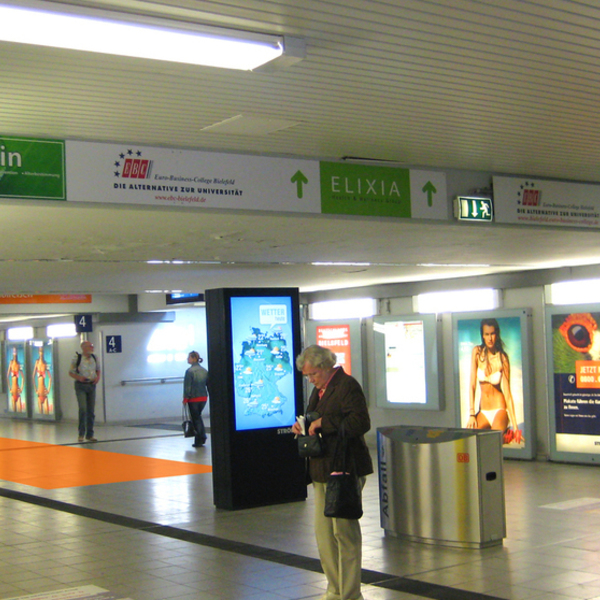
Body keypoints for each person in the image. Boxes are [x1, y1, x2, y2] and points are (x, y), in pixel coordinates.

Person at [292, 345, 372, 600]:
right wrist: (304, 426)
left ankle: (349, 594)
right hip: (320, 469)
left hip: (345, 468)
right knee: (324, 535)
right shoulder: (319, 391)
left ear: (326, 367)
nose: (310, 380)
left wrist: (324, 424)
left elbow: (361, 422)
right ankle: (334, 589)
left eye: (313, 374)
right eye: (307, 376)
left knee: (344, 533)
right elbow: (316, 419)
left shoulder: (347, 386)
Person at [466, 318, 523, 443]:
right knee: (469, 438)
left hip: (499, 409)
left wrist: (515, 426)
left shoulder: (503, 358)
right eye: (486, 334)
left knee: (492, 441)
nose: (490, 338)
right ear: (482, 335)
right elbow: (472, 385)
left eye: (492, 333)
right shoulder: (476, 352)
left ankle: (506, 433)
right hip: (483, 411)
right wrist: (471, 414)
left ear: (496, 334)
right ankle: (504, 436)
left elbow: (507, 394)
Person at [69, 340, 101, 443]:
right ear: (83, 347)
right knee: (83, 409)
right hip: (81, 386)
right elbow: (70, 372)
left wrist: (97, 378)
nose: (92, 348)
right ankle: (81, 433)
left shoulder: (95, 358)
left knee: (91, 410)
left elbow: (98, 369)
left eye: (92, 346)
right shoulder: (77, 359)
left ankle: (90, 434)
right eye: (90, 346)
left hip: (91, 385)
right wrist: (79, 378)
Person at [183, 351, 209, 448]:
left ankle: (200, 438)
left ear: (194, 358)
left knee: (196, 419)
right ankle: (201, 437)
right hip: (203, 397)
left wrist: (185, 398)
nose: (187, 359)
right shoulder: (204, 370)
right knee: (198, 417)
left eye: (189, 357)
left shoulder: (189, 371)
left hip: (193, 398)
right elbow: (208, 384)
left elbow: (187, 387)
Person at [32, 345, 52, 414]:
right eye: (40, 351)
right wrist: (35, 389)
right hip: (39, 392)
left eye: (42, 351)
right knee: (40, 413)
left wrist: (48, 389)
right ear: (38, 352)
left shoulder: (45, 363)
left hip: (44, 391)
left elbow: (50, 378)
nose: (41, 353)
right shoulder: (37, 362)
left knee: (47, 413)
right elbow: (33, 376)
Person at [7, 346, 24, 413]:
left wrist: (21, 389)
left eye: (16, 352)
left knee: (19, 411)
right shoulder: (11, 363)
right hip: (13, 391)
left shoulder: (18, 364)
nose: (15, 354)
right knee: (14, 411)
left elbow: (23, 378)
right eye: (14, 352)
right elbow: (7, 376)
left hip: (17, 390)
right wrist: (9, 388)